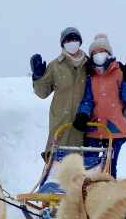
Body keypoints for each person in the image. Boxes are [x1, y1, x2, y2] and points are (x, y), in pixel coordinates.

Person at [73, 33, 126, 177]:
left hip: (114, 130)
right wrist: (83, 114)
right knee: (90, 168)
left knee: (109, 167)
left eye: (102, 52)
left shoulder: (119, 72)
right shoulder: (91, 77)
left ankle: (109, 195)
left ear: (108, 53)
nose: (98, 55)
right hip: (94, 129)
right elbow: (87, 100)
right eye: (95, 53)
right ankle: (89, 195)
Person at [31, 27, 88, 160]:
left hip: (82, 122)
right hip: (60, 122)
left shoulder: (89, 64)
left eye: (75, 39)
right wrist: (38, 77)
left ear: (80, 42)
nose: (72, 43)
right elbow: (42, 93)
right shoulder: (55, 66)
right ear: (63, 44)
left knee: (81, 167)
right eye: (68, 40)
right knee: (55, 164)